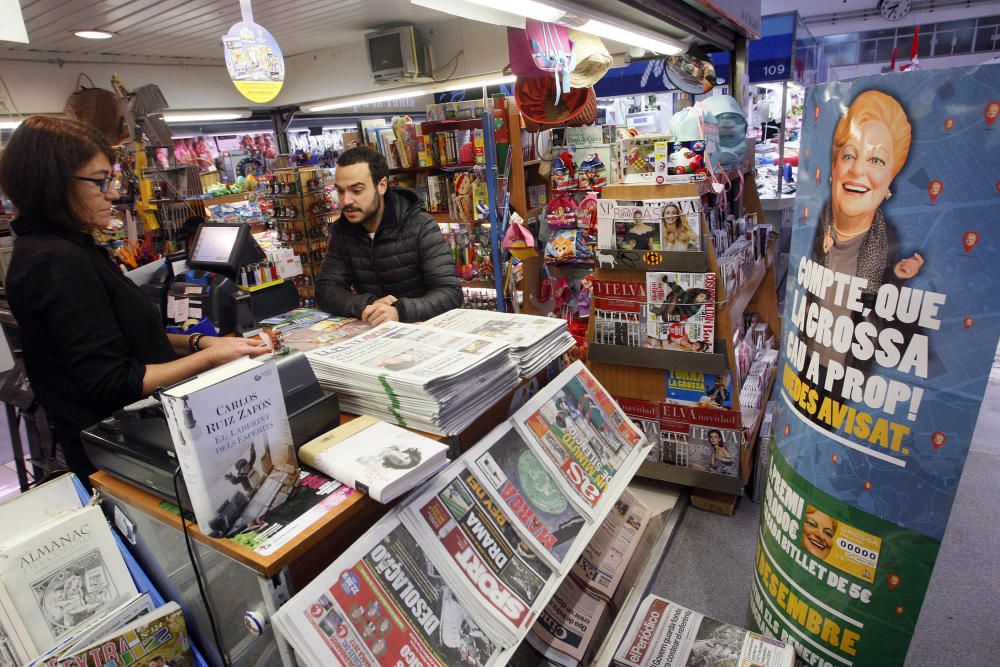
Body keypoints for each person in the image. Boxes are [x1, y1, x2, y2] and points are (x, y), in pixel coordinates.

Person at [0, 117, 270, 483]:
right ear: (54, 185)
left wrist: (199, 341)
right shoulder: (57, 264)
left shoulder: (67, 248)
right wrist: (208, 358)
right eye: (100, 181)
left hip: (133, 442)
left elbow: (124, 341)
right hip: (125, 457)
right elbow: (114, 381)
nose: (112, 193)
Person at [808, 90, 922, 375]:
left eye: (877, 161)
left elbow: (901, 345)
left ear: (890, 179)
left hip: (852, 379)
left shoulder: (892, 245)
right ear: (834, 166)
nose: (858, 170)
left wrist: (897, 279)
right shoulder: (815, 224)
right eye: (849, 155)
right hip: (804, 365)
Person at [316, 147, 462, 324]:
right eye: (340, 191)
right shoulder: (343, 230)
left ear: (382, 185)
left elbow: (450, 293)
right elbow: (326, 291)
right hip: (374, 333)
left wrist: (399, 311)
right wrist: (368, 305)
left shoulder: (420, 225)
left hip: (424, 331)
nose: (346, 201)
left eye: (357, 190)